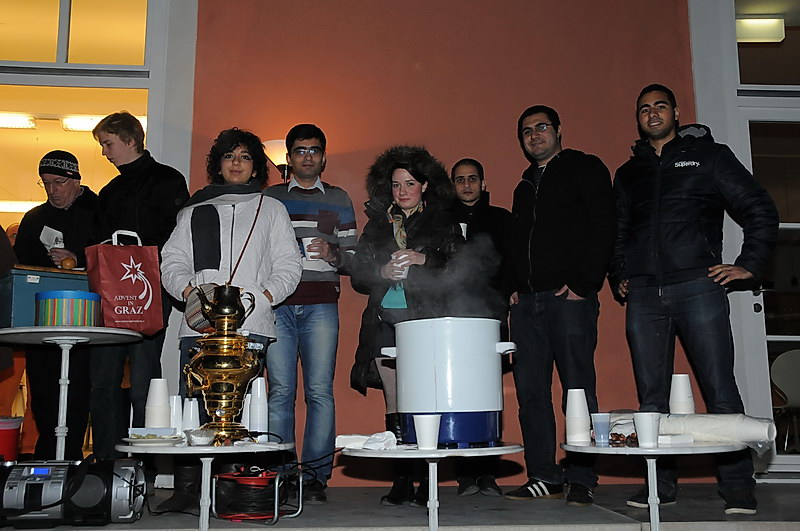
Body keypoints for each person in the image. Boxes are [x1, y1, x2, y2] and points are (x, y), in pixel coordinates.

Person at [608, 84, 779, 515]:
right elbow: (619, 230)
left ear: (676, 112)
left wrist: (749, 264)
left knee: (720, 391)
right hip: (644, 295)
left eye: (660, 106)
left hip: (698, 287)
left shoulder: (709, 156)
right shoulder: (628, 173)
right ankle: (660, 487)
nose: (652, 113)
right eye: (644, 109)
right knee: (651, 400)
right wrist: (620, 273)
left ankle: (738, 489)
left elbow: (759, 207)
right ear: (638, 118)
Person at [159, 128, 302, 513]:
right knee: (193, 405)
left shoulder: (271, 209)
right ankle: (188, 489)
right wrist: (190, 293)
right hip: (200, 328)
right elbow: (172, 261)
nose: (236, 163)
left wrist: (264, 299)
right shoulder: (194, 210)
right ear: (217, 164)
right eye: (229, 156)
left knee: (243, 409)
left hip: (251, 327)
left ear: (256, 166)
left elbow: (289, 264)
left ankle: (234, 488)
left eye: (244, 157)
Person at [504, 105, 616, 506]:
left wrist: (584, 283)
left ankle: (582, 476)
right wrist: (512, 286)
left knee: (578, 390)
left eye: (541, 127)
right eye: (527, 131)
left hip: (569, 300)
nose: (534, 135)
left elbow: (605, 225)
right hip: (526, 305)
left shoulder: (584, 168)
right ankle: (544, 475)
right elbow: (517, 242)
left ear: (558, 130)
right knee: (531, 393)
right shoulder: (523, 186)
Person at [350, 145, 462, 506]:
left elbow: (460, 266)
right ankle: (401, 479)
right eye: (396, 184)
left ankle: (428, 479)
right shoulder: (378, 223)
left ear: (425, 185)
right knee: (395, 400)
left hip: (426, 319)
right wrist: (382, 271)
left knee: (426, 400)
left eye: (410, 183)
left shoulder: (442, 220)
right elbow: (358, 272)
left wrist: (423, 259)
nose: (402, 191)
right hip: (384, 320)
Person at [263, 124, 357, 503]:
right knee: (280, 393)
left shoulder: (339, 198)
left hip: (321, 305)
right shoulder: (269, 199)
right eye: (300, 150)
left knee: (319, 392)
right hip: (277, 305)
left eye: (313, 150)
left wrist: (333, 254)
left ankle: (315, 478)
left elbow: (354, 258)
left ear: (323, 157)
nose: (307, 156)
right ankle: (282, 474)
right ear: (289, 158)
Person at [90, 112, 189, 460]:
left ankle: (146, 465)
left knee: (144, 382)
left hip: (150, 291)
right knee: (103, 380)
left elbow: (178, 236)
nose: (104, 152)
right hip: (114, 294)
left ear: (130, 140)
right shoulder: (109, 191)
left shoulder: (168, 180)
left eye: (108, 143)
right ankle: (107, 462)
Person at [13, 151, 98, 460]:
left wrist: (77, 259)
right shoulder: (34, 219)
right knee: (43, 394)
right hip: (41, 319)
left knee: (75, 391)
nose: (52, 190)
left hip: (84, 318)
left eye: (59, 182)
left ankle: (70, 456)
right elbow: (20, 266)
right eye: (46, 183)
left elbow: (111, 258)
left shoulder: (98, 212)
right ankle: (47, 455)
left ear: (76, 179)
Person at [448, 157, 512, 497]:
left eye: (473, 178)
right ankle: (465, 475)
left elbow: (513, 262)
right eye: (460, 179)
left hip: (490, 315)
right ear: (452, 185)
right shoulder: (441, 220)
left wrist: (505, 296)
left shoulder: (501, 219)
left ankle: (488, 473)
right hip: (452, 317)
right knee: (456, 395)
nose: (467, 185)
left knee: (489, 393)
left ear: (483, 183)